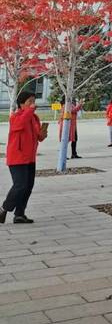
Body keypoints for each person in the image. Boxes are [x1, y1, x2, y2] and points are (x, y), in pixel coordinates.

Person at [0, 91, 48, 224]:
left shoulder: (34, 118)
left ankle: (19, 214)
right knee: (19, 185)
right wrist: (29, 111)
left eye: (34, 101)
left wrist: (43, 134)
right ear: (21, 104)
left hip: (30, 158)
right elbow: (19, 125)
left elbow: (38, 136)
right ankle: (4, 208)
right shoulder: (15, 117)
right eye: (30, 101)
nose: (33, 104)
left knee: (28, 186)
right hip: (17, 158)